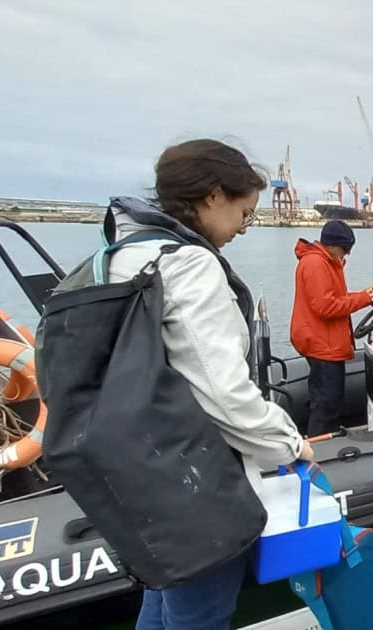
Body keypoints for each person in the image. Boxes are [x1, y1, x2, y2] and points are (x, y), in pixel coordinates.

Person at [102, 139, 312, 630]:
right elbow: (222, 391)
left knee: (162, 597)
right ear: (214, 196)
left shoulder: (125, 254)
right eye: (245, 211)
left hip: (139, 465)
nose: (245, 225)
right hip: (193, 480)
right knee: (201, 613)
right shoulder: (190, 265)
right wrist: (288, 443)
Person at [290, 220, 373, 437]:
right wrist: (363, 300)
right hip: (322, 344)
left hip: (322, 341)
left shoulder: (325, 262)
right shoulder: (316, 265)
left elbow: (334, 298)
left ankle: (325, 437)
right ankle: (321, 446)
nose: (347, 253)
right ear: (333, 245)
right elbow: (326, 306)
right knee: (326, 401)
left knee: (326, 397)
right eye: (345, 248)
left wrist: (362, 295)